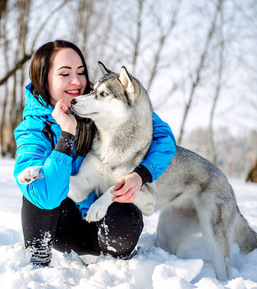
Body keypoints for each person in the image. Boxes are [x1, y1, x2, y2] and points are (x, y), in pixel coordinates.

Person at [13, 40, 176, 266]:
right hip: (63, 226)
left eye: (81, 72)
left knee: (124, 213)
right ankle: (38, 263)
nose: (77, 81)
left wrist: (141, 175)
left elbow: (163, 138)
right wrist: (67, 134)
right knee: (35, 186)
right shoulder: (34, 127)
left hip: (107, 221)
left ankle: (114, 269)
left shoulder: (100, 101)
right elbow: (45, 196)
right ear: (44, 78)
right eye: (64, 74)